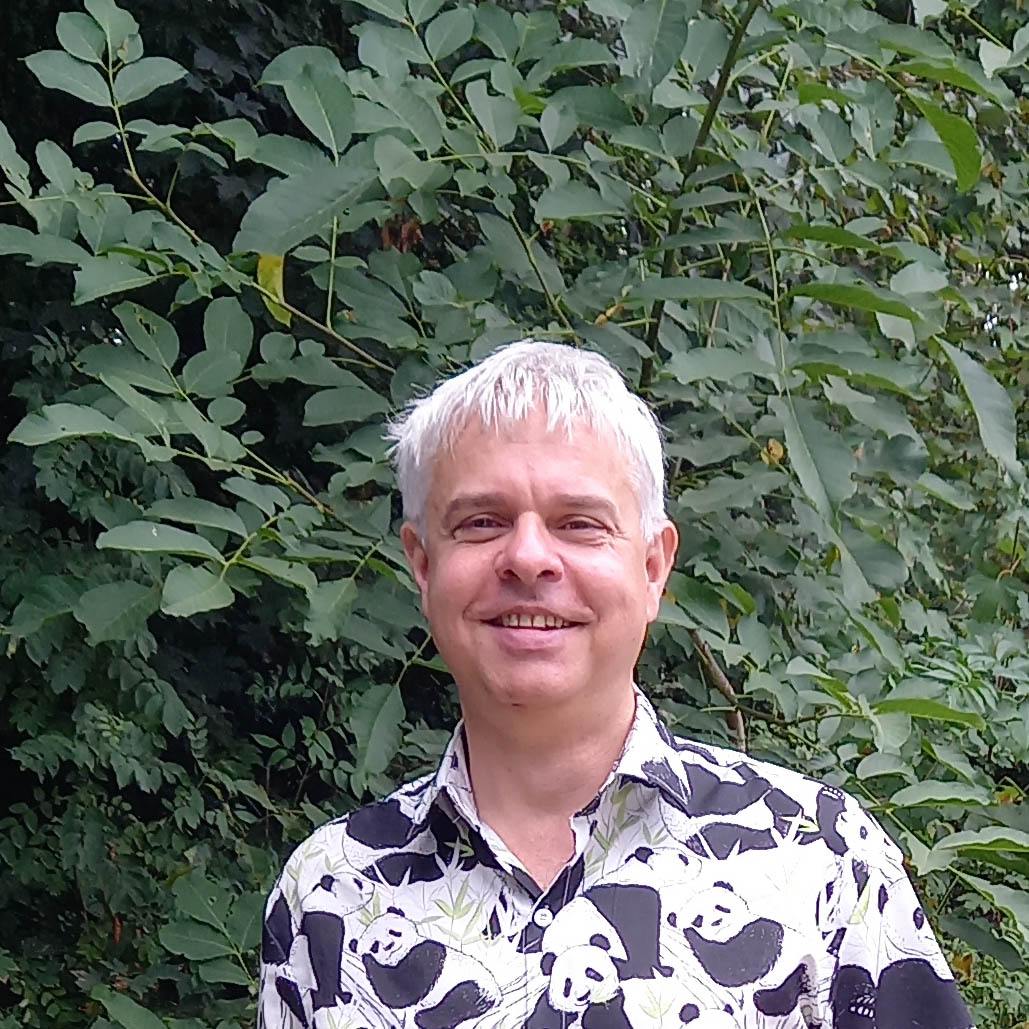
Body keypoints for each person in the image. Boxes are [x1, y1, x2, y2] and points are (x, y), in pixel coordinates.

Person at [259, 341, 973, 1029]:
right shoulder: (329, 895)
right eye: (482, 522)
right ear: (422, 565)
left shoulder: (820, 858)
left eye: (578, 523)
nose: (528, 557)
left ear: (654, 567)